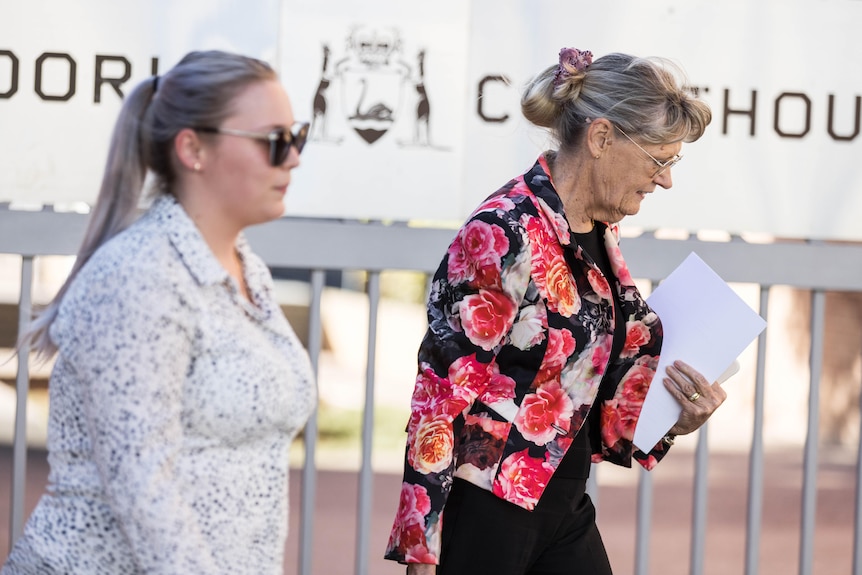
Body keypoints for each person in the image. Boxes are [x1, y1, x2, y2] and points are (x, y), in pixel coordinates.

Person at [384, 47, 724, 574]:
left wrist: (678, 417)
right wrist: (421, 546)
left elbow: (588, 384)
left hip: (562, 501)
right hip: (486, 510)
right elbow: (440, 390)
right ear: (602, 138)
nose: (665, 180)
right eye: (660, 159)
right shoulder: (503, 229)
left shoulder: (598, 229)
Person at [1, 50, 316, 574]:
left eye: (297, 136)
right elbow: (146, 492)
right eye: (273, 141)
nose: (293, 158)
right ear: (192, 148)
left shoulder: (244, 269)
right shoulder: (138, 276)